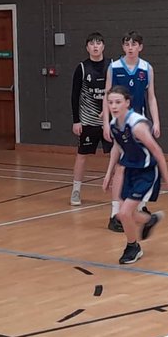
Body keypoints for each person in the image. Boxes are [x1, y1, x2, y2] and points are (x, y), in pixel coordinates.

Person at [103, 87, 168, 265]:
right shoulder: (113, 125)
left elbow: (157, 150)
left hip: (146, 172)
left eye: (118, 102)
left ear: (127, 103)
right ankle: (150, 219)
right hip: (129, 170)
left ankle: (133, 247)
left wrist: (166, 176)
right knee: (124, 214)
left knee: (124, 213)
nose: (114, 106)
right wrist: (109, 173)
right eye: (110, 103)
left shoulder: (137, 125)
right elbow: (117, 149)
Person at [102, 31, 160, 232]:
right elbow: (106, 95)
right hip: (120, 125)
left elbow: (151, 97)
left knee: (140, 167)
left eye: (134, 44)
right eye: (127, 44)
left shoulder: (146, 68)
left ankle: (139, 207)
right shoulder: (115, 67)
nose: (130, 47)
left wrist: (156, 121)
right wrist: (105, 123)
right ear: (123, 47)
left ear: (140, 47)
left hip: (140, 126)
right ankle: (115, 213)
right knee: (120, 166)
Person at [69, 32, 108, 206]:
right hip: (88, 121)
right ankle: (76, 190)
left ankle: (119, 191)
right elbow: (74, 95)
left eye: (98, 43)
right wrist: (76, 120)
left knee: (116, 156)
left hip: (108, 122)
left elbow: (117, 91)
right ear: (87, 48)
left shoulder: (112, 66)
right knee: (82, 156)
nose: (95, 46)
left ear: (103, 46)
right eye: (91, 44)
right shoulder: (82, 68)